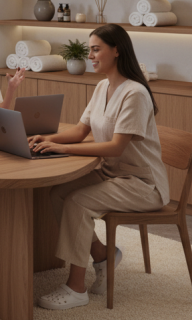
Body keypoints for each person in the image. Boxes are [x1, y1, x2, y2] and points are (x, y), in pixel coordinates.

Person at [30, 24, 168, 310]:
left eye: (96, 49)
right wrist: (49, 138)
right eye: (90, 49)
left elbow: (116, 146)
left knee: (78, 203)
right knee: (57, 193)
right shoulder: (103, 85)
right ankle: (103, 255)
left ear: (116, 50)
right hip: (112, 173)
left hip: (142, 184)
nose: (90, 55)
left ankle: (76, 288)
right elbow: (81, 130)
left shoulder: (135, 94)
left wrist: (62, 148)